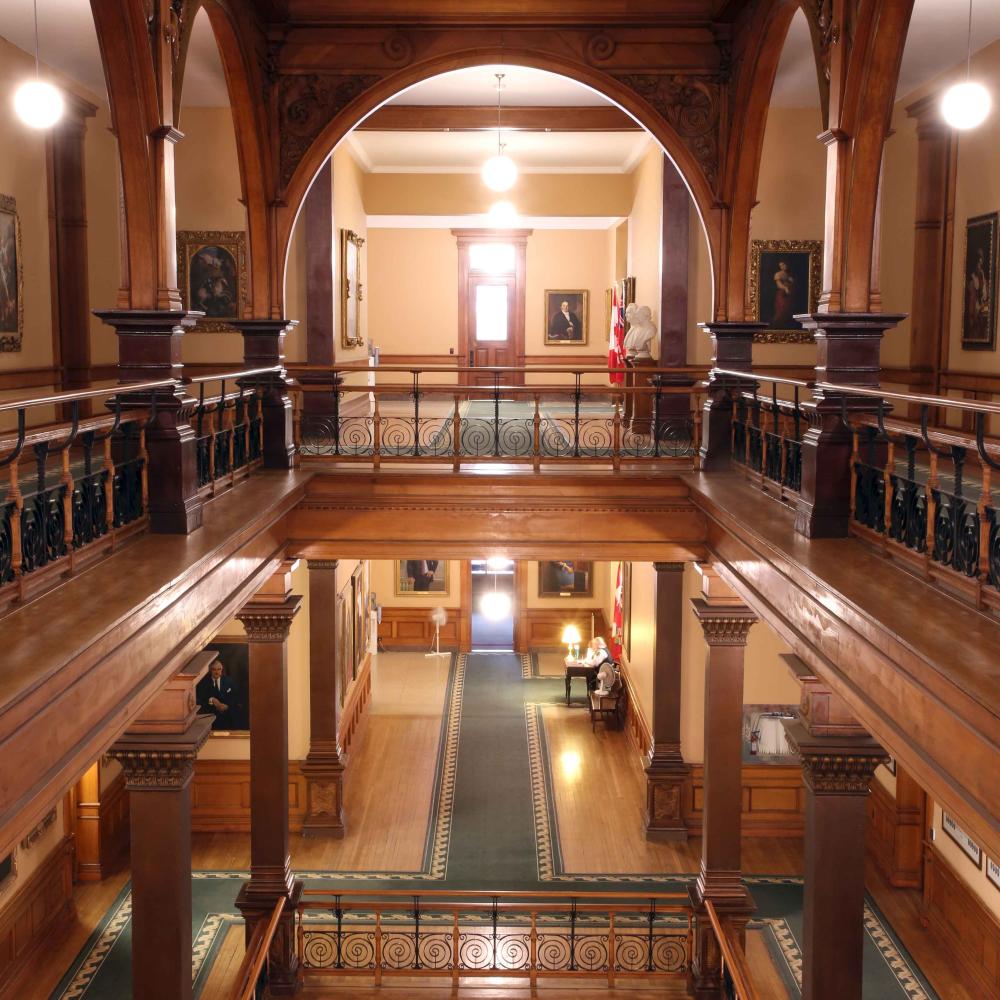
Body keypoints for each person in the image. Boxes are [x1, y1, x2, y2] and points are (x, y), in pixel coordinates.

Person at [197, 659, 239, 730]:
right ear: (210, 670)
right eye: (214, 669)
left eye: (219, 669)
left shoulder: (229, 681)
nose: (217, 672)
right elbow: (200, 700)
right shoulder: (203, 683)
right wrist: (211, 700)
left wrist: (227, 706)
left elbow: (235, 697)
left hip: (227, 718)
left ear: (222, 670)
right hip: (211, 719)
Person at [770, 261, 795, 328]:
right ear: (779, 267)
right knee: (781, 309)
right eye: (781, 265)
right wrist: (785, 288)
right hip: (782, 294)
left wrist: (791, 282)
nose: (783, 266)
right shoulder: (778, 274)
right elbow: (779, 285)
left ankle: (785, 325)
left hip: (789, 294)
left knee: (788, 309)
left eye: (784, 264)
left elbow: (792, 284)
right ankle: (776, 326)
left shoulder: (788, 274)